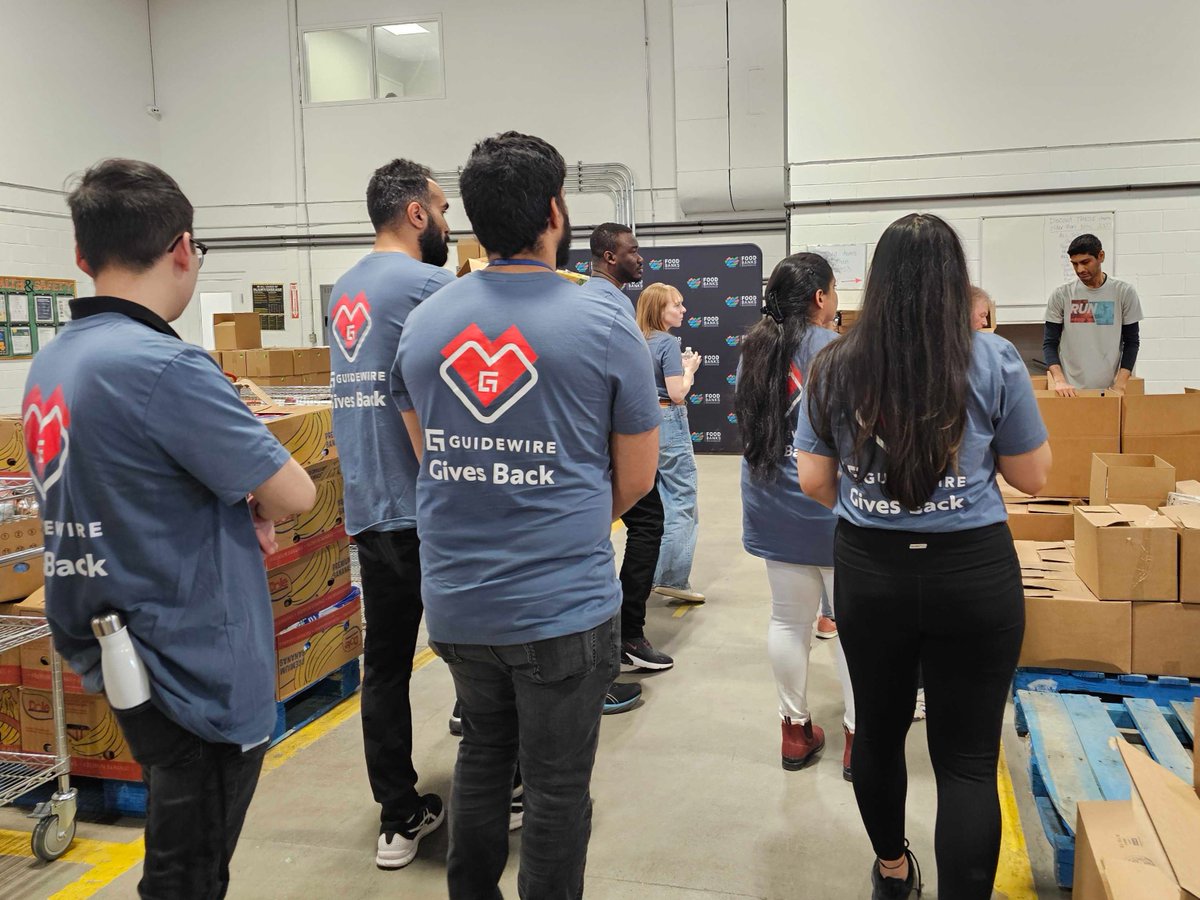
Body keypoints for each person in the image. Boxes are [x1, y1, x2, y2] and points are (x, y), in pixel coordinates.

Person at [24, 158, 316, 898]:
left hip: (113, 644)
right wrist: (251, 498)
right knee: (188, 874)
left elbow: (129, 483)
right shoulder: (162, 365)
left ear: (83, 258)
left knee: (176, 857)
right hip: (190, 662)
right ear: (183, 247)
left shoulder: (55, 362)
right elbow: (296, 491)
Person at [393, 131, 661, 899]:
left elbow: (429, 461)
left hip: (457, 605)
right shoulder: (603, 318)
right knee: (553, 789)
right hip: (560, 610)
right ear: (555, 210)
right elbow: (636, 479)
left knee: (483, 757)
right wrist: (566, 514)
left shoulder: (425, 323)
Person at [795, 213, 1051, 900]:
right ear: (953, 286)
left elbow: (815, 482)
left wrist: (875, 503)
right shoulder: (993, 359)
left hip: (871, 572)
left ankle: (893, 872)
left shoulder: (833, 366)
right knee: (967, 760)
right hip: (972, 574)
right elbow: (1034, 476)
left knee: (877, 734)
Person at [327, 158, 454, 869]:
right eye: (441, 208)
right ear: (415, 213)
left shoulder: (343, 290)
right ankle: (514, 784)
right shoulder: (431, 284)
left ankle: (397, 819)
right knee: (479, 651)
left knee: (385, 667)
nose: (446, 223)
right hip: (431, 505)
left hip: (369, 507)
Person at [735, 252, 856, 778]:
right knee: (853, 628)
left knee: (788, 618)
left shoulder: (753, 349)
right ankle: (859, 739)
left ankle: (794, 731)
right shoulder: (839, 352)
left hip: (770, 499)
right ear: (820, 298)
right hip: (830, 504)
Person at [582, 222, 673, 675]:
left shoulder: (590, 298)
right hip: (607, 450)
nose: (641, 258)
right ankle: (627, 635)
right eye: (633, 251)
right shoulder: (612, 307)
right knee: (647, 521)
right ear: (610, 256)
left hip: (591, 448)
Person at [635, 283, 704, 604]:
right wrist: (689, 370)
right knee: (682, 500)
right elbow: (677, 393)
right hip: (669, 422)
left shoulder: (636, 339)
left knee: (656, 502)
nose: (683, 310)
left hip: (641, 425)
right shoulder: (666, 342)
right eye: (676, 305)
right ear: (658, 310)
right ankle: (673, 579)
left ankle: (652, 576)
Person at [1043, 233, 1142, 395]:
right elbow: (1049, 343)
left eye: (1085, 262)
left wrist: (1120, 384)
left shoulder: (1123, 292)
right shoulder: (1062, 295)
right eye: (1074, 264)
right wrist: (1059, 381)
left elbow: (1132, 342)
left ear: (1101, 256)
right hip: (1069, 391)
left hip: (1109, 390)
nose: (1080, 269)